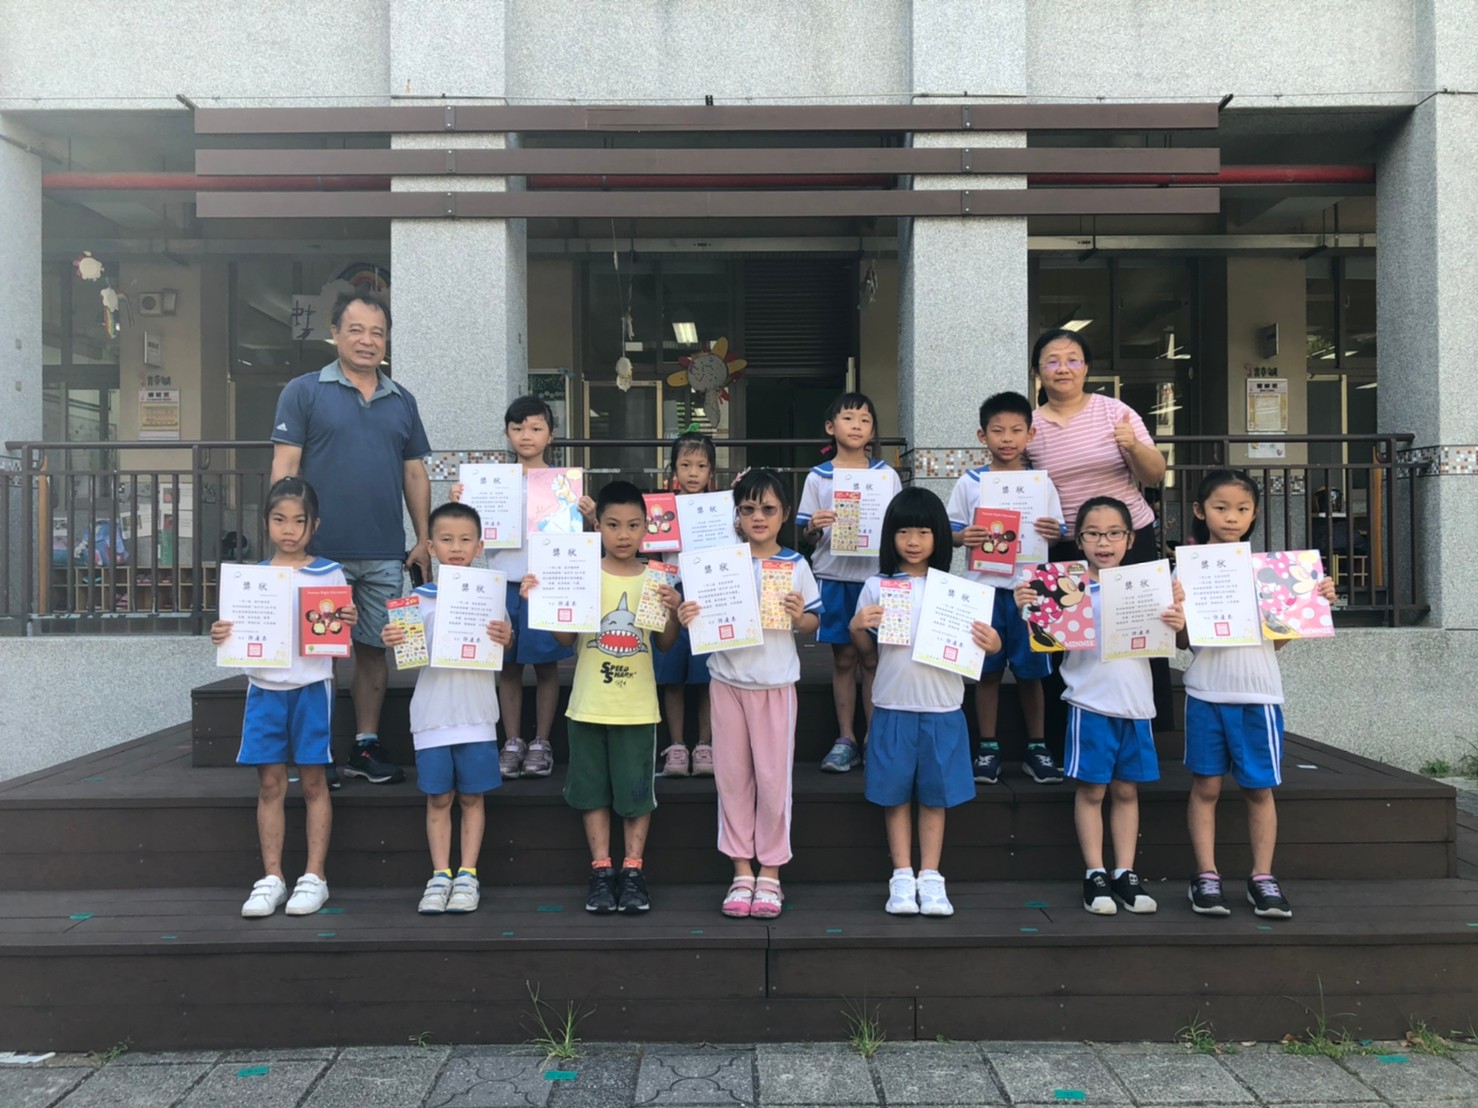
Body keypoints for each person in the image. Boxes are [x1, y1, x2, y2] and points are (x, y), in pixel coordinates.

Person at [270, 288, 431, 788]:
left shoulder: (402, 400)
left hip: (383, 550)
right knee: (316, 651)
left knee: (374, 649)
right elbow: (286, 466)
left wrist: (423, 538)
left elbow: (414, 473)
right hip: (319, 554)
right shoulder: (303, 392)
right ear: (335, 333)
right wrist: (286, 538)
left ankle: (365, 745)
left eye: (377, 332)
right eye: (356, 329)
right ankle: (312, 752)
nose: (367, 340)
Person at [1177, 470, 1336, 920]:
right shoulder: (1185, 569)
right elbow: (1184, 641)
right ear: (1200, 511)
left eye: (1242, 509)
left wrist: (1312, 600)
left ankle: (1262, 877)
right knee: (1206, 786)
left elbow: (1279, 641)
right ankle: (1205, 875)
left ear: (1255, 514)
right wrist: (1175, 615)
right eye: (1221, 507)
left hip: (1259, 694)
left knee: (1259, 788)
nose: (1231, 517)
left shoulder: (1273, 571)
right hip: (1206, 691)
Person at [1016, 496, 1184, 916]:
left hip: (1137, 705)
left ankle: (1125, 872)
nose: (1103, 542)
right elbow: (1042, 635)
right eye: (1092, 534)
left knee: (1127, 790)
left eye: (1113, 534)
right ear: (1078, 540)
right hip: (1088, 702)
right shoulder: (1064, 587)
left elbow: (1177, 639)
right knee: (1092, 790)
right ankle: (1094, 872)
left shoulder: (1149, 586)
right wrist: (1028, 605)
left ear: (1130, 539)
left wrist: (1178, 617)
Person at [522, 480, 680, 915]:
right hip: (588, 703)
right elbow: (565, 639)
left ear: (647, 527)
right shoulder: (581, 572)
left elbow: (665, 644)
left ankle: (633, 871)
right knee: (591, 791)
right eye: (613, 524)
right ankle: (601, 870)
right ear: (597, 525)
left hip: (637, 708)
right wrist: (543, 600)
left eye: (633, 525)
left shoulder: (657, 578)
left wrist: (672, 610)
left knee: (636, 793)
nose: (623, 534)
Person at [850, 488, 1001, 917]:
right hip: (892, 705)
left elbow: (985, 649)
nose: (913, 541)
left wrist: (993, 643)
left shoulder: (959, 590)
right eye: (903, 532)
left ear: (939, 536)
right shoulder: (876, 586)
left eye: (923, 531)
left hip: (943, 707)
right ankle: (901, 875)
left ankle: (931, 876)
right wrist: (858, 627)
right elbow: (867, 656)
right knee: (894, 795)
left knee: (936, 797)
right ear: (890, 536)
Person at [680, 469, 822, 918]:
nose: (758, 517)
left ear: (785, 514)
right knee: (732, 778)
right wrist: (688, 613)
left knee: (774, 781)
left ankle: (772, 871)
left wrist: (800, 617)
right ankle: (741, 870)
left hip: (775, 685)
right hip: (726, 682)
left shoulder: (797, 565)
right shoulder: (720, 562)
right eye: (748, 508)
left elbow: (813, 623)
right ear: (736, 515)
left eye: (768, 508)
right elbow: (697, 614)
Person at [214, 477, 355, 919]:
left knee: (314, 781)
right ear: (266, 523)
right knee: (270, 784)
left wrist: (347, 619)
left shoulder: (329, 573)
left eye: (298, 521)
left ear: (315, 525)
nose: (289, 529)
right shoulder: (251, 579)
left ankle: (315, 876)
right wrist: (222, 633)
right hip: (264, 689)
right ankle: (272, 877)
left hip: (312, 687)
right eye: (279, 520)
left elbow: (339, 637)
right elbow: (233, 631)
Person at [1024, 329, 1172, 741]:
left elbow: (1155, 474)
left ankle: (1145, 734)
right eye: (1052, 360)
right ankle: (1065, 738)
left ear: (1086, 368)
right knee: (1064, 641)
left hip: (1128, 540)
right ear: (1038, 371)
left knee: (1140, 631)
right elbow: (1024, 488)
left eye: (1073, 359)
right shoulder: (1031, 426)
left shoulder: (1115, 412)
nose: (1063, 368)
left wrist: (1132, 446)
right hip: (1066, 545)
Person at [381, 501, 513, 915]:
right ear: (431, 547)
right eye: (446, 539)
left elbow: (504, 647)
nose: (456, 547)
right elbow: (409, 659)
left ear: (479, 546)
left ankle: (468, 874)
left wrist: (507, 638)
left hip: (477, 716)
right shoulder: (416, 600)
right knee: (438, 798)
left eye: (465, 539)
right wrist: (395, 640)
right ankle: (440, 875)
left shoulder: (491, 596)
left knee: (473, 797)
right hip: (433, 716)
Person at [451, 395, 590, 780]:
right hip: (503, 583)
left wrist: (588, 516)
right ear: (507, 433)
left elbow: (576, 539)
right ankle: (512, 741)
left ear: (551, 435)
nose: (526, 435)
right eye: (518, 428)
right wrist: (460, 503)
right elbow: (466, 529)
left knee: (546, 666)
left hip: (546, 585)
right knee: (508, 666)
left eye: (535, 428)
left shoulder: (564, 485)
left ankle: (542, 742)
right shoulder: (491, 482)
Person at [946, 391, 1066, 786]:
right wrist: (964, 536)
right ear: (982, 436)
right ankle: (988, 747)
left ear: (1031, 435)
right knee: (988, 671)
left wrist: (1054, 530)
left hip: (1032, 589)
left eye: (1016, 430)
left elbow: (1059, 529)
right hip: (984, 589)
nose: (1007, 438)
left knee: (1032, 673)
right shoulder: (970, 482)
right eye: (998, 430)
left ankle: (1037, 746)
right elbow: (951, 531)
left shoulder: (1041, 483)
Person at [797, 392, 902, 773]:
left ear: (873, 430)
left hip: (877, 580)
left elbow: (899, 526)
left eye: (865, 419)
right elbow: (806, 535)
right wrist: (814, 526)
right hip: (834, 578)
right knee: (843, 658)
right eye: (848, 418)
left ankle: (874, 737)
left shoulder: (886, 476)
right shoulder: (818, 476)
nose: (856, 425)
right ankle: (846, 738)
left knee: (874, 658)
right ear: (831, 427)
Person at [655, 431, 717, 778]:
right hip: (670, 596)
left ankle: (705, 744)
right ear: (674, 469)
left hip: (707, 597)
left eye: (701, 466)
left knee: (707, 676)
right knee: (672, 677)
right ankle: (677, 745)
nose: (693, 473)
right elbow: (651, 555)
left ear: (711, 472)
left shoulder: (721, 508)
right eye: (686, 465)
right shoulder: (662, 509)